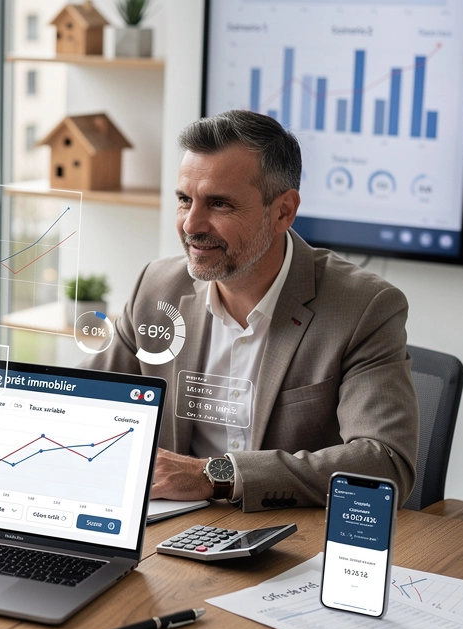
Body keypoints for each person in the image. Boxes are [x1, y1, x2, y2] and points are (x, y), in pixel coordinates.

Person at [84, 110, 418, 510]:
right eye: (184, 200)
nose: (192, 224)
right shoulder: (156, 288)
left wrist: (214, 476)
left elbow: (385, 462)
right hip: (170, 530)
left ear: (283, 211)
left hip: (289, 542)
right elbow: (86, 409)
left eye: (219, 204)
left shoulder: (364, 307)